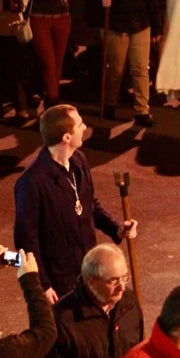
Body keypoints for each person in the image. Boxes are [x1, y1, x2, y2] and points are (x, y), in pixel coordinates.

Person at [14, 104, 137, 301]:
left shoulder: (78, 160)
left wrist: (116, 228)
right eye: (79, 124)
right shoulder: (31, 183)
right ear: (66, 137)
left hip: (89, 272)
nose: (85, 127)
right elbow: (26, 241)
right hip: (59, 281)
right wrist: (42, 285)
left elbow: (89, 204)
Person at [89, 0, 161, 124]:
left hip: (140, 23)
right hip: (117, 24)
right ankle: (110, 102)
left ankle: (141, 110)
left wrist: (157, 27)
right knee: (116, 69)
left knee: (140, 68)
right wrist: (103, 2)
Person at [39, 244, 144, 358]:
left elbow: (138, 352)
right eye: (113, 280)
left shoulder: (129, 302)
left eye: (124, 278)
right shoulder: (61, 321)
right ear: (91, 282)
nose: (122, 287)